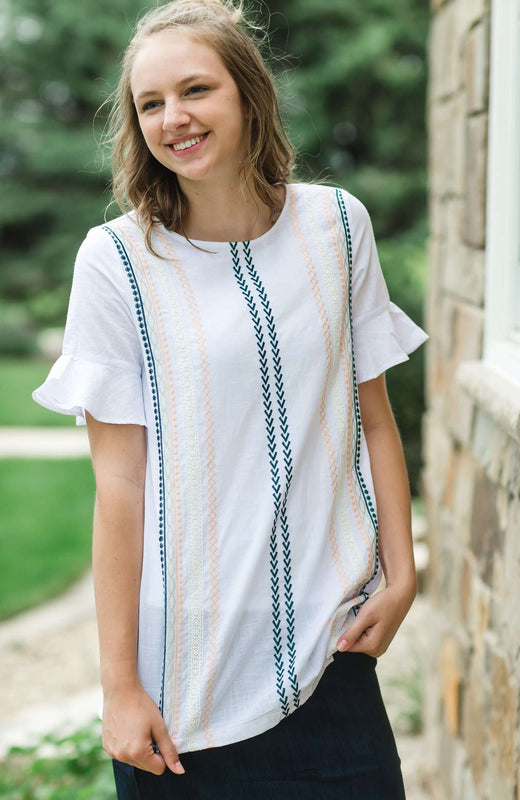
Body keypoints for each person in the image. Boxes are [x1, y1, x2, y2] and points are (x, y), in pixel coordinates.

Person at [32, 1, 429, 797]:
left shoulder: (337, 227)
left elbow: (372, 416)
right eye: (150, 103)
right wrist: (118, 688)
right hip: (181, 676)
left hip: (329, 648)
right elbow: (117, 487)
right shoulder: (115, 264)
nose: (173, 118)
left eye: (195, 90)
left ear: (247, 94)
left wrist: (402, 571)